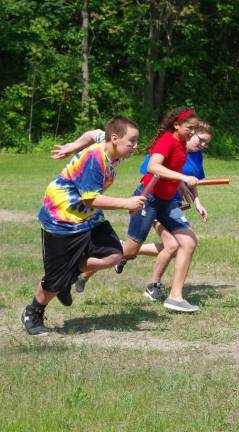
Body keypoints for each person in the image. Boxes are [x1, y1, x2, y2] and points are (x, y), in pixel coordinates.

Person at [21, 116, 146, 335]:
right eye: (132, 142)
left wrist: (72, 146)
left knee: (114, 255)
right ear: (115, 138)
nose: (135, 147)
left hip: (88, 218)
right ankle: (33, 312)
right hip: (62, 219)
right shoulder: (95, 160)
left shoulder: (110, 146)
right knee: (54, 281)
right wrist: (126, 202)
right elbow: (91, 199)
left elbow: (92, 133)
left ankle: (68, 277)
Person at [112, 120, 212, 302]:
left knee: (177, 245)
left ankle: (127, 256)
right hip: (152, 199)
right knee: (172, 246)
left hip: (172, 204)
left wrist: (197, 202)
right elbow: (153, 171)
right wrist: (180, 180)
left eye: (206, 143)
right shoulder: (169, 146)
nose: (202, 145)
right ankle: (151, 283)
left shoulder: (197, 157)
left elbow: (193, 181)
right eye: (201, 140)